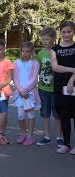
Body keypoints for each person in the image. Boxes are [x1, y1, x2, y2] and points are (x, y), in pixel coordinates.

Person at [36, 27, 64, 147]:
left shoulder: (58, 51)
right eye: (43, 39)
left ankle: (59, 137)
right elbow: (37, 70)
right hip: (43, 89)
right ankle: (47, 136)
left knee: (58, 114)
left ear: (53, 38)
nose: (44, 41)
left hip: (56, 89)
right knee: (45, 113)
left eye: (47, 39)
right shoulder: (40, 54)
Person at [50, 20, 75, 154]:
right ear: (60, 32)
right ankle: (66, 144)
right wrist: (72, 70)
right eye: (64, 32)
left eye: (69, 31)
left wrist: (72, 80)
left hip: (73, 86)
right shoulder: (55, 50)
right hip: (60, 87)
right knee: (64, 116)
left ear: (73, 32)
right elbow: (55, 67)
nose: (66, 34)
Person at [12, 41, 41, 146]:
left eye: (27, 51)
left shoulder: (35, 63)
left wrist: (26, 90)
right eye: (23, 51)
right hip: (19, 93)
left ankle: (30, 136)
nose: (25, 53)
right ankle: (23, 133)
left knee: (30, 114)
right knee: (20, 115)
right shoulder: (16, 63)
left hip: (30, 93)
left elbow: (34, 79)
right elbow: (15, 79)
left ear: (32, 52)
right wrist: (21, 90)